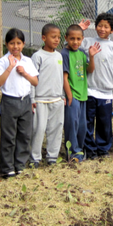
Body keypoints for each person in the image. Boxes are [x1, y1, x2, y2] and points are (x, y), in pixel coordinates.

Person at [79, 14, 113, 159]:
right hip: (89, 90)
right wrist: (79, 29)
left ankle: (103, 149)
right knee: (87, 121)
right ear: (95, 26)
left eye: (106, 27)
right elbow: (70, 44)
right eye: (100, 25)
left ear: (112, 30)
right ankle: (89, 150)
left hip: (106, 93)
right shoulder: (87, 42)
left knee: (104, 123)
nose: (102, 29)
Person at [0, 28, 39, 178]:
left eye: (18, 43)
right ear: (7, 44)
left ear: (24, 44)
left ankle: (20, 164)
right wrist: (10, 67)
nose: (15, 46)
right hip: (9, 102)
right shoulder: (2, 61)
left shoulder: (27, 61)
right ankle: (7, 167)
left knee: (24, 135)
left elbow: (35, 81)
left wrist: (24, 73)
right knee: (8, 136)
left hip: (25, 101)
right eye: (12, 43)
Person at [61, 24, 100, 163]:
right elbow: (64, 77)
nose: (75, 42)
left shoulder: (83, 53)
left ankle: (80, 148)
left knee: (82, 126)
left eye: (78, 39)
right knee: (72, 124)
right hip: (72, 96)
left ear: (82, 39)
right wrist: (69, 95)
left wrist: (92, 56)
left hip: (83, 95)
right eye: (72, 39)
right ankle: (72, 152)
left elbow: (90, 70)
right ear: (66, 38)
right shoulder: (64, 54)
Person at [29, 24, 65, 167]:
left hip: (57, 100)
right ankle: (35, 158)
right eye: (53, 37)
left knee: (56, 129)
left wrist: (61, 96)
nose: (57, 40)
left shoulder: (59, 56)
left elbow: (59, 77)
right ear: (44, 38)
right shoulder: (37, 56)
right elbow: (32, 80)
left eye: (58, 37)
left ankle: (52, 157)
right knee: (38, 129)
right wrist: (32, 98)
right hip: (40, 100)